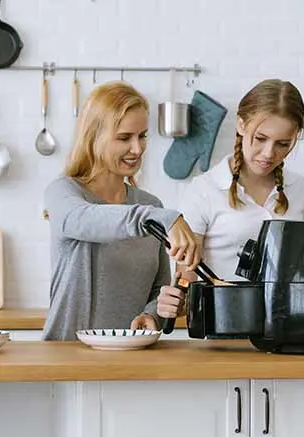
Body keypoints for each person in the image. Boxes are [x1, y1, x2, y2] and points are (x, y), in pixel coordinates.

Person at [42, 81, 199, 341]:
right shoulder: (63, 193)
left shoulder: (151, 205)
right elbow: (84, 220)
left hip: (132, 358)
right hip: (70, 357)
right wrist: (164, 218)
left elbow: (158, 288)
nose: (138, 149)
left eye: (143, 136)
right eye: (124, 138)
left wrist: (153, 314)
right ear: (93, 137)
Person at [175, 79, 304, 284]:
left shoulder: (303, 191)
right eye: (261, 138)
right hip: (222, 314)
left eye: (283, 144)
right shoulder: (203, 191)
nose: (269, 153)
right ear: (241, 125)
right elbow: (186, 280)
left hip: (289, 316)